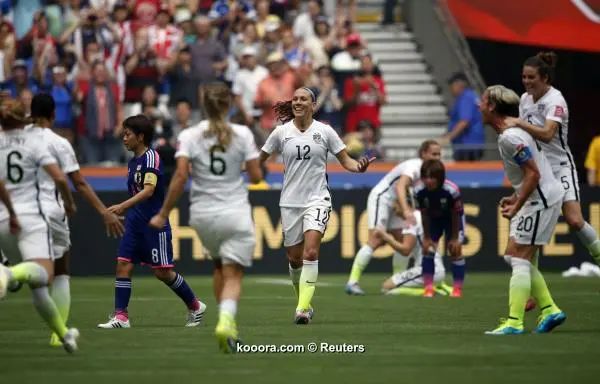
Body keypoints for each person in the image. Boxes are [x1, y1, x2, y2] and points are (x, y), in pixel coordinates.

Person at [149, 82, 263, 353]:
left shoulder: (189, 135)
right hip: (234, 211)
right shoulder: (242, 133)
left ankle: (229, 326)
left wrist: (163, 213)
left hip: (202, 214)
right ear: (229, 106)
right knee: (233, 273)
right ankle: (226, 321)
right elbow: (257, 176)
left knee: (218, 266)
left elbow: (179, 176)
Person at [260, 86, 374, 324]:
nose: (298, 102)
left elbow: (346, 161)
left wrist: (358, 167)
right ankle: (305, 302)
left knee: (311, 251)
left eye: (303, 99)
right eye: (295, 99)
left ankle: (301, 310)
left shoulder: (325, 131)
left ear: (313, 105)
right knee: (294, 259)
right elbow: (257, 161)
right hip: (290, 202)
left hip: (317, 199)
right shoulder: (281, 133)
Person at [26, 93, 125, 347]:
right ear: (53, 115)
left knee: (30, 270)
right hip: (49, 209)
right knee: (60, 271)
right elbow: (77, 182)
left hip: (15, 212)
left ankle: (7, 274)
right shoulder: (58, 142)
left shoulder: (14, 139)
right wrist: (103, 211)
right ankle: (58, 335)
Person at [97, 115, 206, 329]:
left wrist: (122, 206)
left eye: (128, 134)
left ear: (141, 136)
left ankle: (195, 306)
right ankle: (121, 316)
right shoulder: (133, 162)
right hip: (135, 224)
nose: (124, 138)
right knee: (123, 264)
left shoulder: (151, 157)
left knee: (162, 272)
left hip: (154, 224)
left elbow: (149, 191)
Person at [481, 84, 566, 335]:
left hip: (540, 200)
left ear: (492, 106)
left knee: (518, 257)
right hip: (536, 197)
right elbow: (529, 172)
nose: (479, 105)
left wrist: (517, 204)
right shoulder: (510, 133)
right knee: (513, 255)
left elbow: (533, 173)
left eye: (483, 101)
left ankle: (514, 322)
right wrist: (515, 195)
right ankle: (550, 309)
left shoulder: (510, 137)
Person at [505, 52, 600, 265]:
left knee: (575, 220)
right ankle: (532, 288)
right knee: (534, 229)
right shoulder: (524, 100)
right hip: (539, 170)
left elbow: (548, 134)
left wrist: (519, 123)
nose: (526, 82)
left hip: (560, 166)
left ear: (545, 78)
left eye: (531, 77)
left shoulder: (555, 100)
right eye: (524, 77)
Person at [0, 98, 79, 353]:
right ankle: (8, 273)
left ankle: (64, 335)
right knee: (45, 273)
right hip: (32, 217)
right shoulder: (36, 142)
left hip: (4, 219)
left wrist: (9, 211)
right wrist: (69, 203)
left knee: (37, 286)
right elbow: (60, 177)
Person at [345, 139, 441, 295]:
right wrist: (407, 211)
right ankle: (352, 282)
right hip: (382, 198)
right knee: (376, 238)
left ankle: (397, 280)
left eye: (439, 154)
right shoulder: (416, 166)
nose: (437, 157)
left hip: (396, 202)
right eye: (433, 154)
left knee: (402, 240)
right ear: (423, 153)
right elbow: (400, 186)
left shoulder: (429, 171)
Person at [414, 160, 466, 298]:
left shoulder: (452, 190)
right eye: (425, 177)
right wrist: (426, 237)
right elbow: (423, 213)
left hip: (452, 221)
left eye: (432, 177)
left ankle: (457, 289)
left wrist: (454, 238)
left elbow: (456, 213)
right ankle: (429, 288)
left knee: (455, 250)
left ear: (440, 177)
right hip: (433, 220)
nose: (428, 181)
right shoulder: (419, 190)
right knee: (428, 250)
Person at [378, 204, 449, 296]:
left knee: (386, 287)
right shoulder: (421, 216)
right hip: (437, 269)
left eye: (396, 204)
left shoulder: (411, 220)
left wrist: (386, 237)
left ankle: (429, 291)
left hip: (426, 270)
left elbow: (406, 250)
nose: (393, 208)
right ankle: (435, 287)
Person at [440, 72, 485, 161]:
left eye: (451, 84)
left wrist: (448, 137)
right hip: (472, 144)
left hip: (467, 146)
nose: (450, 88)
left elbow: (464, 121)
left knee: (465, 173)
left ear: (459, 84)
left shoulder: (465, 97)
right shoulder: (471, 96)